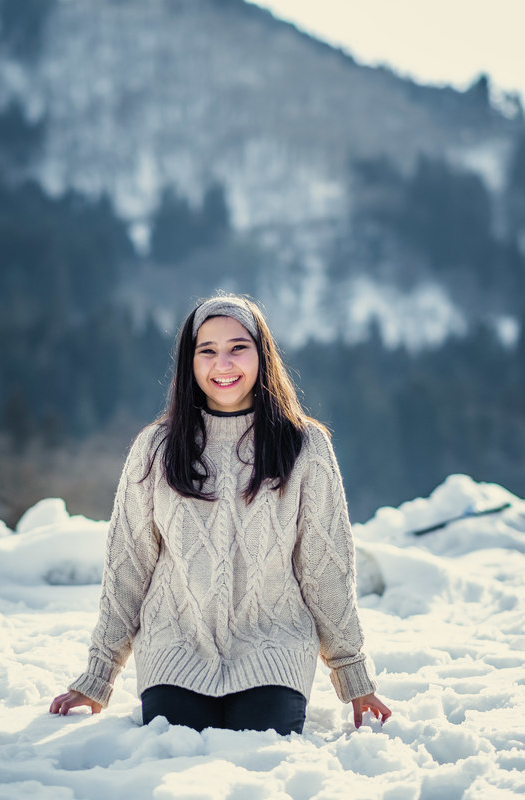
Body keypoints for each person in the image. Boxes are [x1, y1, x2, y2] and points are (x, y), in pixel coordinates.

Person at [49, 293, 390, 734]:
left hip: (275, 645)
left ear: (262, 355)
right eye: (206, 351)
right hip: (175, 645)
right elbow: (128, 567)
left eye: (237, 348)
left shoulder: (306, 447)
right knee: (174, 750)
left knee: (259, 750)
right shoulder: (155, 448)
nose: (222, 364)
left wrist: (353, 674)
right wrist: (99, 676)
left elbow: (326, 570)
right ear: (189, 364)